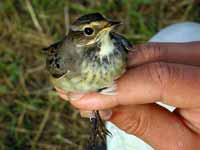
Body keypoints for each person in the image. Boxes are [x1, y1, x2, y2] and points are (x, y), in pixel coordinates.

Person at [56, 24, 200, 149]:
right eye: (89, 31)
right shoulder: (66, 61)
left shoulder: (116, 45)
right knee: (182, 32)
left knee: (181, 33)